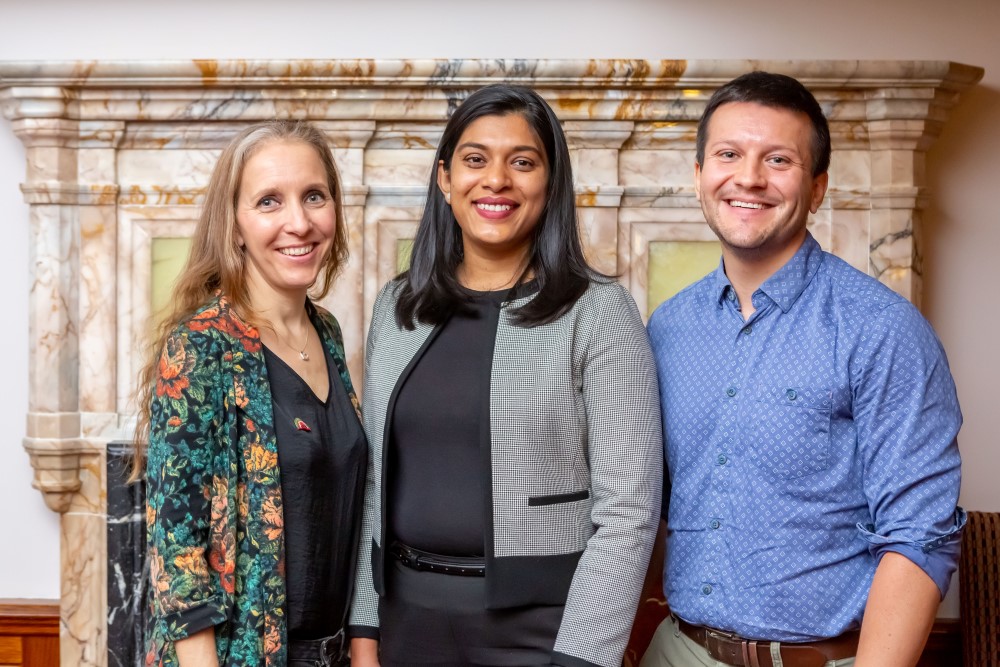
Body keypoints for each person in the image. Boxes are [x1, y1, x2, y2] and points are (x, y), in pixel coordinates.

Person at [643, 72, 964, 667]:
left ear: (817, 188)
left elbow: (920, 535)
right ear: (699, 176)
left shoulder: (881, 329)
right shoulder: (667, 328)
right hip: (676, 651)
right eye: (728, 154)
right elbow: (643, 507)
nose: (749, 177)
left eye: (779, 159)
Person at [348, 84, 663, 667]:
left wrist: (583, 657)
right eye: (475, 160)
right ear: (445, 179)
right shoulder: (399, 307)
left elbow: (629, 510)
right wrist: (364, 627)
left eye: (522, 162)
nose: (496, 180)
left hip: (543, 632)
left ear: (550, 183)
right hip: (407, 625)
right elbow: (374, 484)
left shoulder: (597, 312)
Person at [135, 120, 366, 667]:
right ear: (234, 225)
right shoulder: (200, 346)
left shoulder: (326, 333)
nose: (299, 222)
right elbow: (177, 548)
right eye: (269, 201)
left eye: (315, 196)